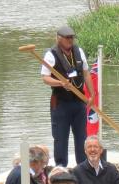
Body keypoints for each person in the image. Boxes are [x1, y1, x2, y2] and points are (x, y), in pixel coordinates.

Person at [41, 25, 95, 167]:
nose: (70, 40)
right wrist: (60, 83)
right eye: (67, 38)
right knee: (60, 138)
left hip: (79, 102)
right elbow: (45, 78)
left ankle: (83, 167)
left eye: (72, 38)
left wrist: (92, 94)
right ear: (59, 38)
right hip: (61, 104)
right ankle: (61, 168)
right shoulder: (51, 54)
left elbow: (86, 73)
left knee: (82, 137)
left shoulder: (79, 52)